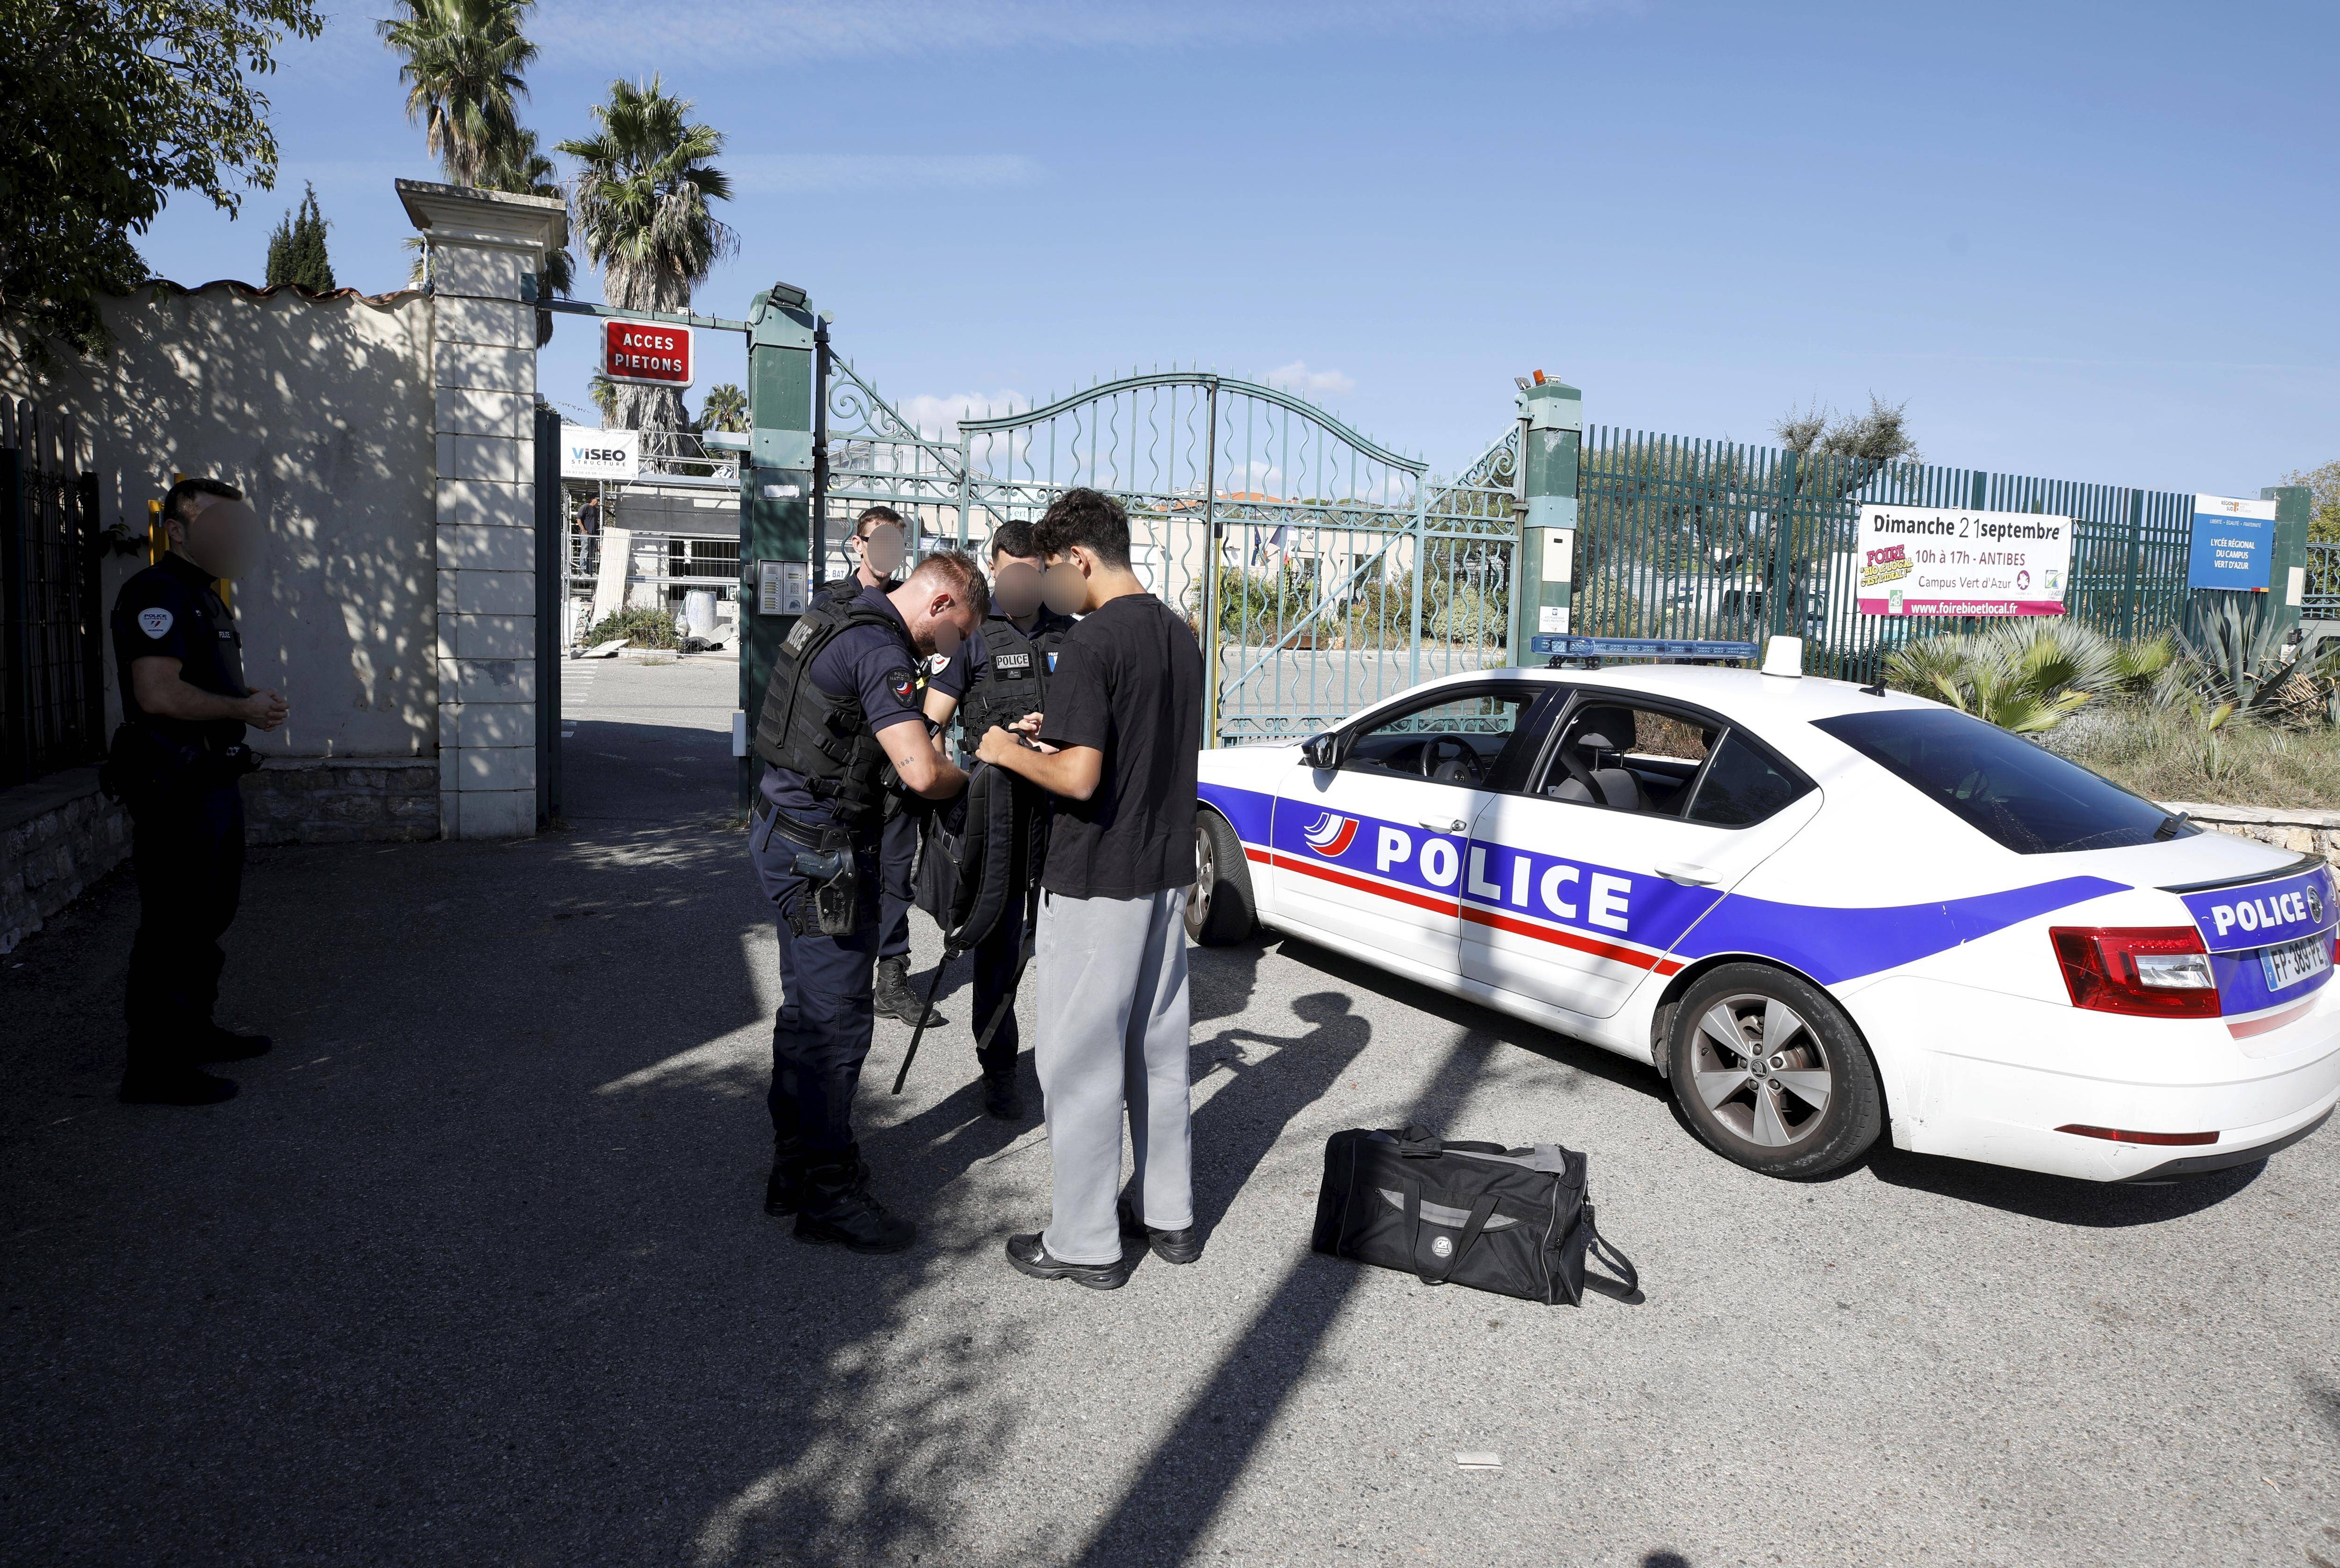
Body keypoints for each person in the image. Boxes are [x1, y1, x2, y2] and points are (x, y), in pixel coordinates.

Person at [975, 488, 1204, 1290]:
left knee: (1080, 1061)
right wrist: (1059, 734)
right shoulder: (1179, 634)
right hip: (1166, 874)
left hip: (1097, 875)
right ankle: (1169, 1215)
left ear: (1080, 559)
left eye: (1050, 572)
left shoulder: (1092, 641)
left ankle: (1084, 1242)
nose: (1048, 592)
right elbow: (1147, 743)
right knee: (1159, 1051)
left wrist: (1009, 752)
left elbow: (1078, 776)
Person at [749, 548, 985, 1253]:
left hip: (780, 832)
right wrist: (970, 780)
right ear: (941, 605)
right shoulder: (880, 650)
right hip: (823, 855)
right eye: (960, 633)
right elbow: (919, 770)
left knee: (803, 1011)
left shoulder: (833, 610)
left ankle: (792, 1165)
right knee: (837, 1025)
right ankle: (828, 1191)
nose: (956, 650)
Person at [108, 478, 289, 1105]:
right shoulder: (157, 592)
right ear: (178, 530)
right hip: (174, 782)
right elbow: (157, 693)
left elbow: (200, 686)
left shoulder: (204, 598)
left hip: (209, 778)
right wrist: (242, 704)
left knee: (206, 916)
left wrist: (247, 702)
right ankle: (155, 1069)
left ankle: (195, 1032)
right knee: (173, 925)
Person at [928, 519, 1075, 1118]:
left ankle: (1073, 1065)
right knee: (998, 948)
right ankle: (999, 1065)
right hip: (1001, 819)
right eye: (1010, 569)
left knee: (1069, 946)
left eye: (1032, 570)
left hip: (1065, 814)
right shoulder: (971, 638)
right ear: (994, 568)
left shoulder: (1073, 635)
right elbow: (932, 725)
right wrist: (955, 802)